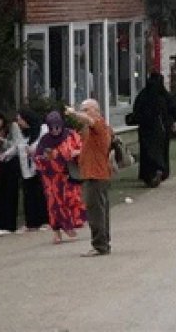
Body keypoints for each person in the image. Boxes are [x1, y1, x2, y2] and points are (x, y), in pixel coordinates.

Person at [70, 99, 113, 256]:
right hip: (93, 172)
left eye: (86, 109)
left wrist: (74, 113)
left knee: (96, 212)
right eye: (82, 109)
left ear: (96, 110)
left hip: (96, 174)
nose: (84, 113)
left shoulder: (99, 125)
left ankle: (100, 245)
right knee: (99, 210)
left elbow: (89, 120)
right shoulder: (90, 129)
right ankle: (103, 243)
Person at [33, 111, 83, 243]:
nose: (55, 131)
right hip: (51, 178)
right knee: (54, 205)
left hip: (68, 175)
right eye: (51, 128)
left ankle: (69, 225)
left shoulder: (71, 135)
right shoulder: (45, 140)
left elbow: (82, 149)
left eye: (57, 127)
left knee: (70, 201)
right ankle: (57, 232)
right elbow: (37, 157)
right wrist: (46, 158)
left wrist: (75, 153)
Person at [132, 72, 176, 187]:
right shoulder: (164, 95)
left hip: (146, 128)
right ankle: (161, 170)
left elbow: (137, 111)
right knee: (161, 151)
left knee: (147, 152)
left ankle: (149, 174)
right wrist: (172, 123)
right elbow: (172, 110)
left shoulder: (143, 95)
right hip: (161, 128)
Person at [15, 109, 49, 231]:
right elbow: (17, 147)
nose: (19, 122)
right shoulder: (23, 134)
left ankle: (45, 220)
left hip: (39, 167)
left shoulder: (42, 129)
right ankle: (31, 222)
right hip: (26, 169)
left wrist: (34, 151)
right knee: (28, 195)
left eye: (20, 119)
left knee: (40, 194)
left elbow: (45, 144)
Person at [0, 111, 20, 233]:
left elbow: (16, 145)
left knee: (10, 194)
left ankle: (10, 224)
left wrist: (1, 140)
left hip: (10, 162)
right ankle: (0, 223)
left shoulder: (12, 127)